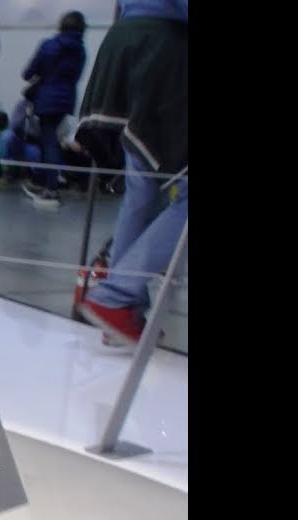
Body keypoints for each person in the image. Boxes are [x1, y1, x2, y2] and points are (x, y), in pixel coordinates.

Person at [74, 0, 187, 345]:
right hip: (162, 49)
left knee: (142, 189)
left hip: (122, 44)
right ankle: (118, 295)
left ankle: (121, 310)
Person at [19, 10, 87, 207]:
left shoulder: (50, 45)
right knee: (49, 140)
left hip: (46, 98)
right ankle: (41, 181)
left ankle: (51, 189)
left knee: (49, 142)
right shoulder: (80, 50)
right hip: (66, 100)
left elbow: (29, 72)